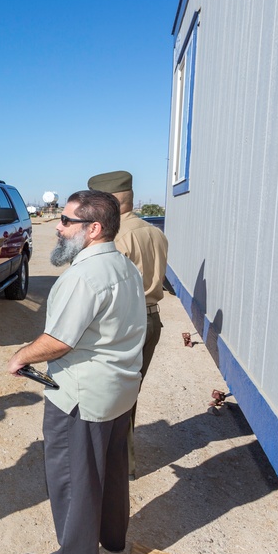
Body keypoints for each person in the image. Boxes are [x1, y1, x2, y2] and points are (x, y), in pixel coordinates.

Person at [6, 190, 146, 554]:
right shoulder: (124, 265)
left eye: (67, 221)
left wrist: (21, 356)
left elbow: (59, 341)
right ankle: (113, 539)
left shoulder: (83, 276)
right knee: (112, 469)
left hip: (82, 398)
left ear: (94, 228)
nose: (58, 227)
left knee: (74, 479)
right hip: (119, 392)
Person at [88, 170, 169, 479]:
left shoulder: (117, 238)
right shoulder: (155, 233)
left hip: (124, 324)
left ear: (110, 202)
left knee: (110, 402)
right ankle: (124, 465)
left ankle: (116, 468)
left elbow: (103, 287)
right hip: (151, 322)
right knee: (129, 395)